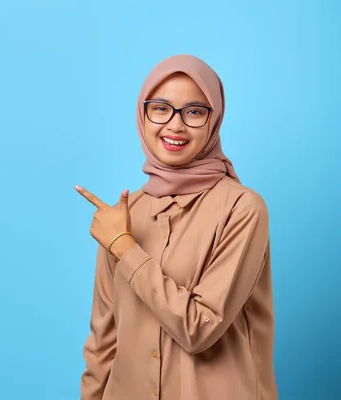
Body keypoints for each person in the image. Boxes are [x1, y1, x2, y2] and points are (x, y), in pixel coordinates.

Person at [74, 54, 278, 400]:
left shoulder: (242, 209)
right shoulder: (126, 213)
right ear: (143, 113)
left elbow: (200, 328)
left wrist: (125, 247)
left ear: (214, 121)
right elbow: (103, 342)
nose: (174, 126)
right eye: (161, 108)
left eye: (194, 112)